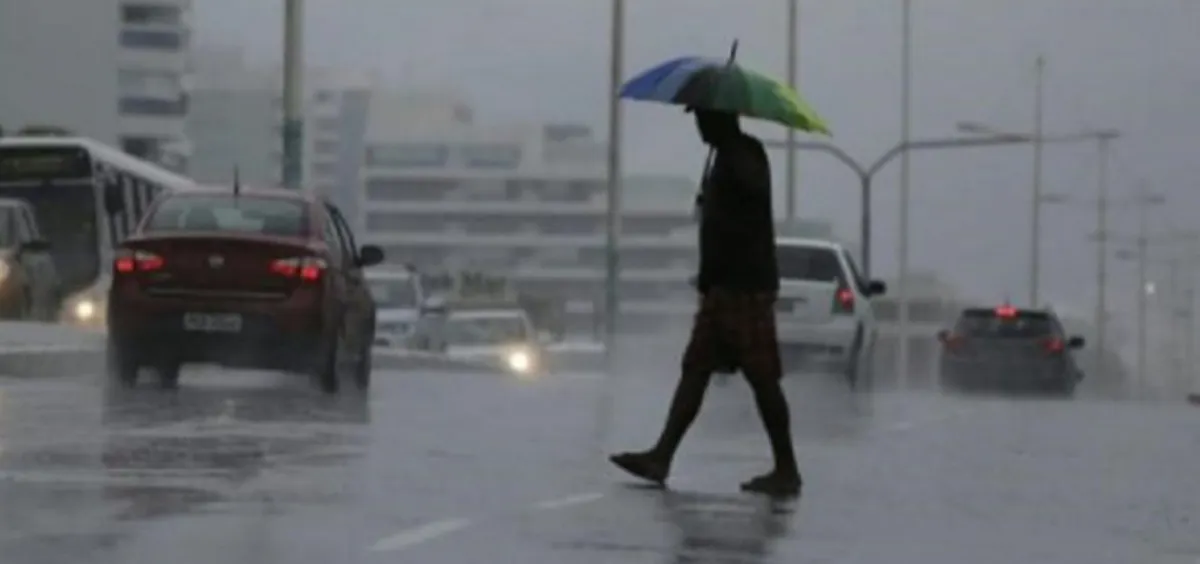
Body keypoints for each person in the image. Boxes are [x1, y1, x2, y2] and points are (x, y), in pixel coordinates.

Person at [609, 108, 802, 497]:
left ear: (720, 118)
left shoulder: (742, 156)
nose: (697, 125)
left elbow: (746, 203)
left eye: (701, 117)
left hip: (743, 286)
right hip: (721, 287)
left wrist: (719, 199)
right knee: (695, 369)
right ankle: (661, 456)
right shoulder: (726, 158)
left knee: (763, 378)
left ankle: (786, 468)